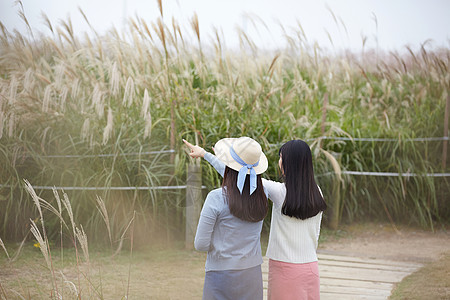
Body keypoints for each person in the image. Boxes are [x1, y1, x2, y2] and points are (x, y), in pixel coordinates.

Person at [185, 138, 327, 300]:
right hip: (311, 268)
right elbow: (315, 234)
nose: (279, 162)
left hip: (284, 269)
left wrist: (206, 155)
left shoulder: (279, 192)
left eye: (281, 158)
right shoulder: (317, 193)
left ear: (289, 163)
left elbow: (240, 176)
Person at [184, 137, 269, 300]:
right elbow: (240, 177)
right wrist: (205, 154)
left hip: (220, 276)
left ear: (229, 167)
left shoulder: (215, 198)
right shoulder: (262, 193)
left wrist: (222, 245)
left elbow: (201, 244)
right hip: (252, 276)